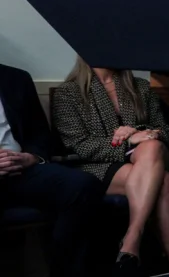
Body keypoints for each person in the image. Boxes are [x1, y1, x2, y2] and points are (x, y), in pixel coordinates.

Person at [52, 57, 169, 277]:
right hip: (100, 166)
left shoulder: (141, 87)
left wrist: (136, 132)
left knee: (153, 147)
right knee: (164, 180)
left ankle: (131, 239)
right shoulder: (68, 93)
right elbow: (80, 145)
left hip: (151, 157)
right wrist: (127, 142)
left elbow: (164, 131)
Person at [0, 62, 103, 277]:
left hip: (22, 170)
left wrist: (31, 157)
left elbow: (40, 135)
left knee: (82, 185)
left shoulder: (16, 78)